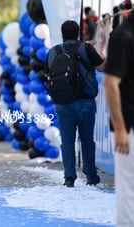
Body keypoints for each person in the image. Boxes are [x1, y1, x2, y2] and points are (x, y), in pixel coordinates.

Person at [44, 20, 105, 188]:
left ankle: (69, 177)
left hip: (63, 103)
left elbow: (47, 74)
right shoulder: (86, 48)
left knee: (67, 141)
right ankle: (91, 177)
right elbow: (101, 67)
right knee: (86, 139)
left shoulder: (53, 52)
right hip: (85, 101)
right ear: (78, 33)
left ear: (62, 34)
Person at [102, 0, 134, 227]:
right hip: (129, 127)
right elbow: (110, 83)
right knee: (128, 190)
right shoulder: (124, 36)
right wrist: (121, 129)